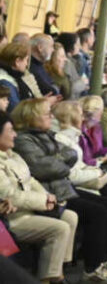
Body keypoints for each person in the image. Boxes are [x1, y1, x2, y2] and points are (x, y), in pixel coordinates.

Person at [11, 98, 107, 281]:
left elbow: (70, 154)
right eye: (46, 114)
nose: (51, 117)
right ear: (31, 117)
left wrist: (56, 160)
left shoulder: (47, 134)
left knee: (106, 203)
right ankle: (93, 268)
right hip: (50, 192)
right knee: (96, 212)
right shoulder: (23, 139)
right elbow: (43, 168)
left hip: (61, 187)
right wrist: (59, 162)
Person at [0, 110, 79, 283]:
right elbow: (11, 196)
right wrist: (42, 201)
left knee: (70, 217)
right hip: (15, 218)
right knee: (59, 228)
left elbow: (31, 179)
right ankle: (50, 278)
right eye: (10, 131)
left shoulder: (13, 155)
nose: (14, 135)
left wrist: (47, 196)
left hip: (31, 209)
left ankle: (59, 270)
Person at [0, 42, 44, 110]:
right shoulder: (5, 82)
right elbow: (16, 110)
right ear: (17, 61)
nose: (26, 64)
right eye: (26, 60)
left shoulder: (16, 76)